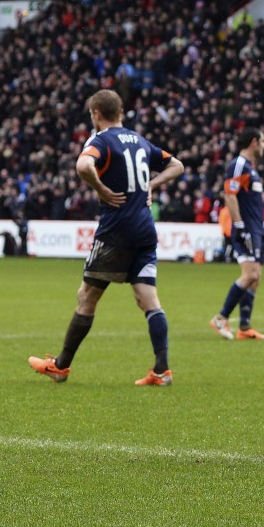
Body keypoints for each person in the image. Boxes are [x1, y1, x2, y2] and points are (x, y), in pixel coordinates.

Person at [28, 89, 183, 385]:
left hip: (116, 230)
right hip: (145, 229)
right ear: (121, 111)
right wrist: (152, 184)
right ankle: (162, 371)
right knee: (148, 299)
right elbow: (177, 165)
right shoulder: (139, 140)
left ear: (96, 114)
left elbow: (83, 165)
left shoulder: (100, 141)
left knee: (87, 296)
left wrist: (99, 189)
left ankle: (60, 367)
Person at [209, 128, 264, 341]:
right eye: (263, 141)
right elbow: (230, 194)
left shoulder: (251, 169)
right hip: (246, 229)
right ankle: (220, 317)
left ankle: (244, 326)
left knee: (256, 277)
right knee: (250, 274)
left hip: (255, 229)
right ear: (254, 142)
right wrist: (240, 225)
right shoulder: (239, 165)